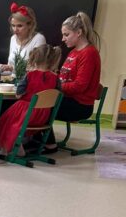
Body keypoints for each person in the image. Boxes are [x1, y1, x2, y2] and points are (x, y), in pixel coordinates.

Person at [44, 12, 102, 152]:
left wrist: (56, 86)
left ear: (79, 32)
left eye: (66, 34)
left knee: (43, 105)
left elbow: (79, 86)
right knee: (39, 101)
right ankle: (35, 140)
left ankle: (49, 144)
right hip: (67, 99)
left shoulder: (89, 53)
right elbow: (64, 78)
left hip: (80, 105)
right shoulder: (74, 52)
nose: (63, 39)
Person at [0, 43, 61, 157]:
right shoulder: (56, 78)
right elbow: (57, 95)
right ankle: (17, 145)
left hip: (27, 111)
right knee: (14, 122)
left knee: (5, 120)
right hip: (44, 115)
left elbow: (18, 95)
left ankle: (8, 149)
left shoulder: (30, 75)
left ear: (35, 58)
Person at [0, 3, 46, 75]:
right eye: (13, 25)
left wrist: (12, 69)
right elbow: (10, 69)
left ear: (30, 25)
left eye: (19, 26)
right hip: (12, 80)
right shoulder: (13, 38)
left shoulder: (38, 39)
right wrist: (1, 69)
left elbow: (39, 70)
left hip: (30, 81)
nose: (15, 30)